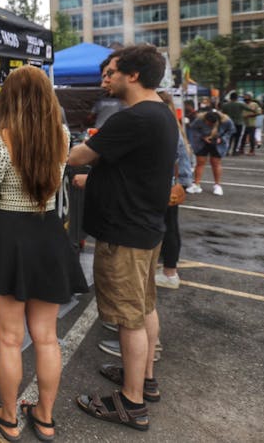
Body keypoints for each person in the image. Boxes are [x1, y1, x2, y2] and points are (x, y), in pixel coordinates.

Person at [0, 66, 88, 441]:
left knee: (9, 339)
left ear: (10, 98)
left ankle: (8, 417)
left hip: (8, 238)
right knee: (47, 337)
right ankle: (45, 418)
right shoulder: (62, 135)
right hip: (48, 234)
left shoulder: (0, 138)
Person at [67, 44, 177, 432]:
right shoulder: (161, 112)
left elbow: (77, 156)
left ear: (133, 74)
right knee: (144, 307)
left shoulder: (132, 118)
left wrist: (48, 150)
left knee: (128, 320)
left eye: (111, 72)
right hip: (146, 228)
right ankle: (144, 380)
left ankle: (131, 404)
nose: (105, 79)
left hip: (124, 235)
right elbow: (132, 170)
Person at [155, 93, 193, 289]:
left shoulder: (167, 127)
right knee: (170, 227)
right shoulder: (175, 126)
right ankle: (169, 271)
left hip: (169, 184)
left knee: (168, 228)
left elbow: (179, 161)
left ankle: (170, 273)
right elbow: (188, 160)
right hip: (173, 184)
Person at [186, 109, 235, 196]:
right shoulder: (199, 119)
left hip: (218, 144)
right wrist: (202, 137)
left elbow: (231, 130)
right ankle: (196, 184)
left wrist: (222, 138)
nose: (209, 125)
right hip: (201, 143)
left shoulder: (226, 120)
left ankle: (217, 185)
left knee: (216, 163)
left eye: (211, 124)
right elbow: (193, 128)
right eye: (207, 123)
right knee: (200, 163)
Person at [220, 91, 246, 156]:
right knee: (237, 137)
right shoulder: (240, 104)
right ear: (236, 98)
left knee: (229, 137)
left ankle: (227, 150)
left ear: (230, 97)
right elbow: (250, 109)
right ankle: (235, 151)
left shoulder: (225, 105)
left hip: (228, 123)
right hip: (239, 122)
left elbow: (222, 113)